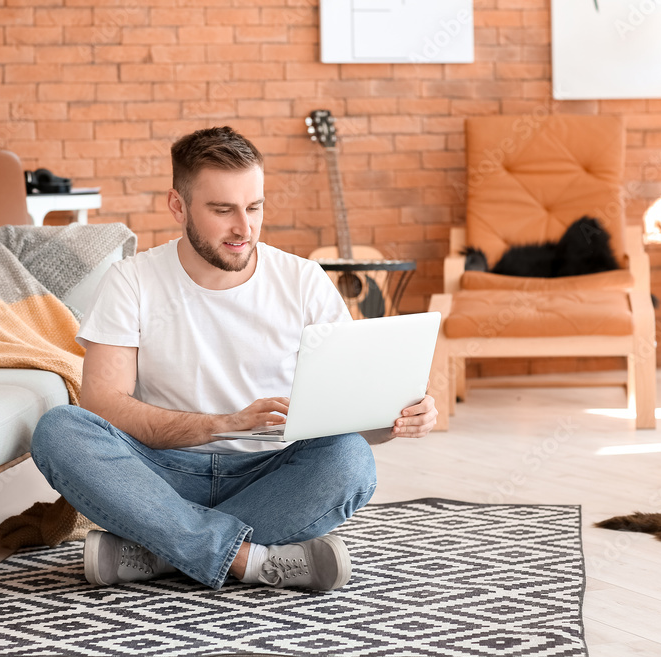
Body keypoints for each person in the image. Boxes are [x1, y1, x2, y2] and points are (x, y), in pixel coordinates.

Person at [31, 126, 437, 592]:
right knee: (60, 430)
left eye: (255, 207)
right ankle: (252, 560)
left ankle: (159, 552)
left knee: (351, 459)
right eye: (222, 210)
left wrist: (399, 418)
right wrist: (223, 423)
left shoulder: (303, 280)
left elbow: (350, 415)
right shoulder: (133, 280)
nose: (243, 228)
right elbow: (103, 404)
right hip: (162, 473)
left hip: (271, 474)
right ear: (178, 206)